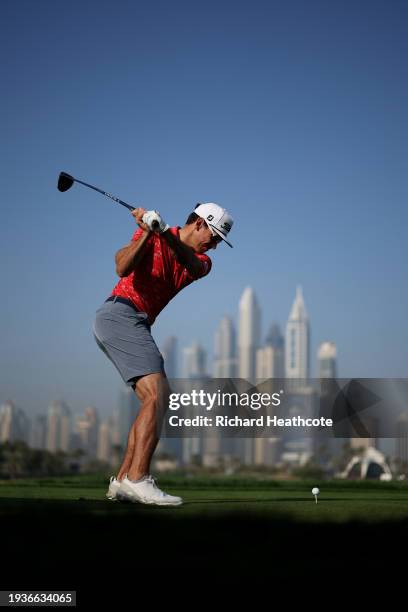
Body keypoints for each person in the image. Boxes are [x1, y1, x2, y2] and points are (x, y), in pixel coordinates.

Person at [93, 203, 234, 506]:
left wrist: (162, 231)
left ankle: (121, 481)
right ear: (198, 222)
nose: (215, 244)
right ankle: (138, 479)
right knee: (160, 396)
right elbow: (121, 267)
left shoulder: (202, 262)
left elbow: (191, 263)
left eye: (220, 240)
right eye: (214, 235)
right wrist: (146, 232)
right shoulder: (153, 234)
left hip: (135, 322)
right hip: (119, 314)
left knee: (152, 399)